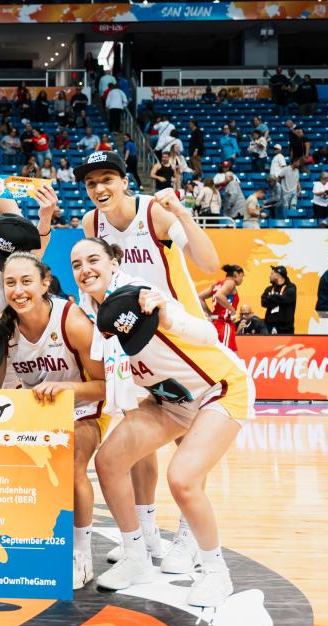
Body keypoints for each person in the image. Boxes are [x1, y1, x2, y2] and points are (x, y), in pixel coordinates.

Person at [74, 237, 253, 607]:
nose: (85, 269)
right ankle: (136, 556)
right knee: (109, 462)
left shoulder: (140, 293)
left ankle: (216, 572)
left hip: (218, 388)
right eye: (77, 264)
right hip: (169, 400)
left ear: (113, 262)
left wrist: (169, 317)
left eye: (93, 259)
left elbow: (208, 334)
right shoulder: (89, 311)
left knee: (182, 479)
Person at [77, 149, 221, 567]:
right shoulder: (91, 224)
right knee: (138, 443)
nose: (99, 188)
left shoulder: (154, 213)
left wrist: (184, 215)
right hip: (134, 344)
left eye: (107, 179)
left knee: (186, 441)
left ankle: (189, 537)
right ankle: (148, 533)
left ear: (125, 181)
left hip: (180, 338)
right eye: (91, 183)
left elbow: (209, 264)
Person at [0, 251, 107, 589]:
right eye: (10, 283)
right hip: (36, 413)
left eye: (26, 281)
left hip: (83, 407)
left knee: (71, 465)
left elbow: (105, 386)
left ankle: (81, 555)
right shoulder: (3, 329)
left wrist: (67, 389)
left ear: (45, 283)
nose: (18, 290)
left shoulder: (72, 321)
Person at [199, 264, 243, 351]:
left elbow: (199, 297)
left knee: (233, 354)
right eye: (242, 276)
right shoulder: (231, 282)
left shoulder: (217, 284)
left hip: (216, 323)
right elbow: (219, 295)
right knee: (227, 354)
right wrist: (233, 311)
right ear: (236, 274)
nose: (242, 279)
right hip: (224, 324)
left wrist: (210, 314)